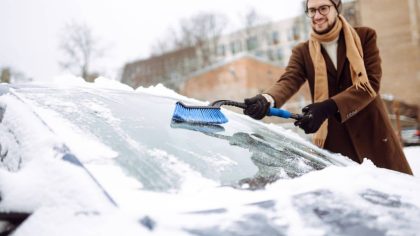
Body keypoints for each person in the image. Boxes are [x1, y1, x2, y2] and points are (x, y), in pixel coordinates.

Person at [243, 0, 413, 175]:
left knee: (395, 194)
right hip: (335, 142)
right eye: (312, 10)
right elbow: (289, 80)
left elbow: (370, 83)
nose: (317, 16)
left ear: (337, 8)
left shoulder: (364, 37)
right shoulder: (302, 51)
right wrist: (267, 98)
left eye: (323, 9)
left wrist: (328, 106)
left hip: (374, 135)